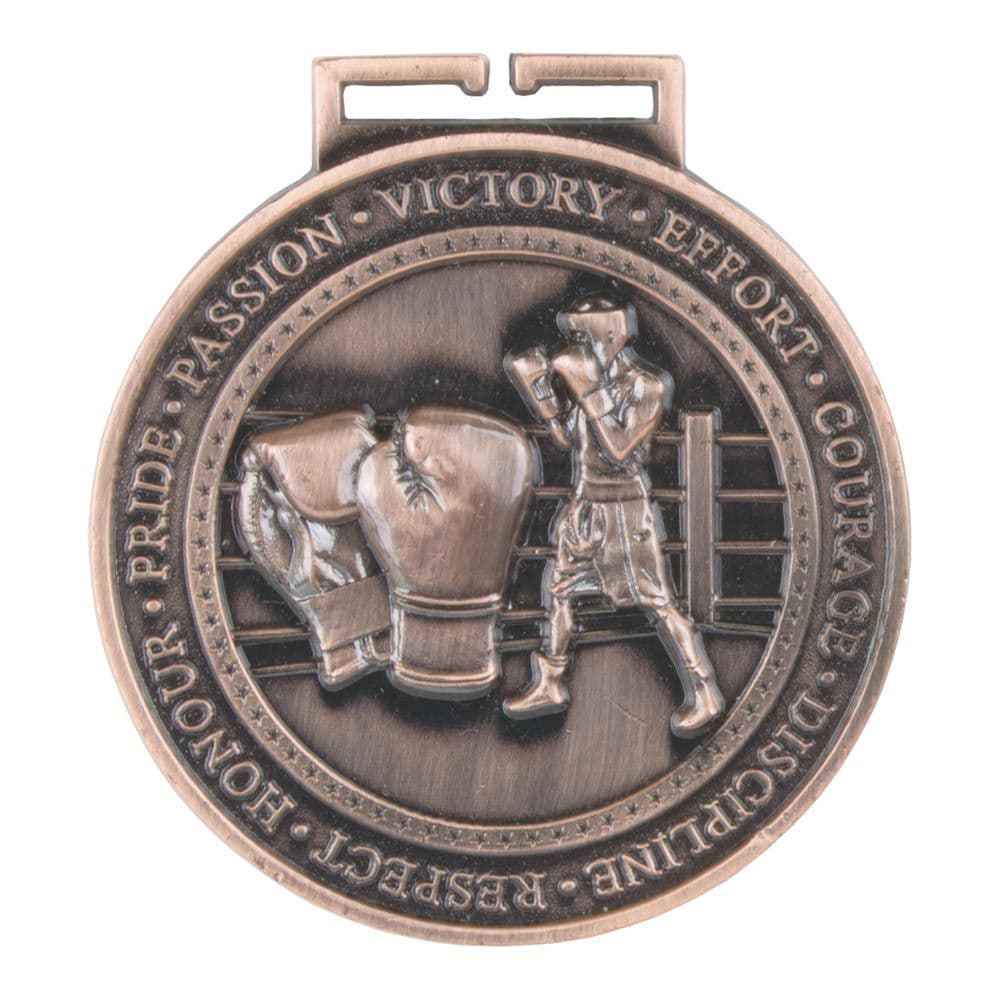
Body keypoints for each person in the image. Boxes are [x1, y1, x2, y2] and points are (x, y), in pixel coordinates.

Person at [504, 292, 725, 738]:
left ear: (608, 334)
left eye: (582, 338)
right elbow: (571, 440)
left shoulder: (646, 386)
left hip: (624, 509)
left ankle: (704, 690)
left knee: (657, 602)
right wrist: (544, 398)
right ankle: (550, 683)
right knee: (560, 591)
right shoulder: (594, 380)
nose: (576, 346)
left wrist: (588, 390)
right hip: (585, 504)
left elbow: (620, 448)